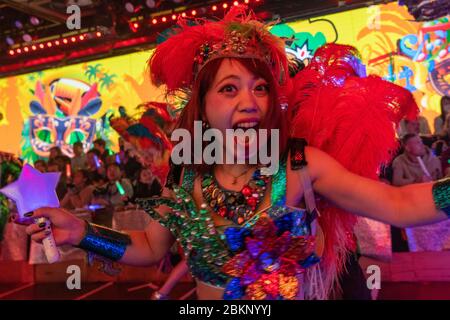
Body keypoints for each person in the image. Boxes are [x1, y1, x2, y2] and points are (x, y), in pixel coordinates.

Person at [23, 8, 449, 300]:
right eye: (230, 89)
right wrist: (81, 233)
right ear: (203, 106)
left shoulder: (299, 165)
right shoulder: (186, 174)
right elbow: (151, 246)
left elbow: (400, 202)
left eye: (260, 87)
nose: (251, 102)